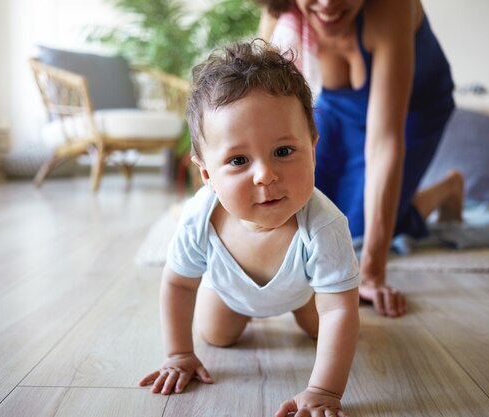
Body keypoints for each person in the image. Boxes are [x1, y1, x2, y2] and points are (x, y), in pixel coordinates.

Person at [139, 40, 361, 417]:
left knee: (324, 329)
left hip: (303, 291)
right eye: (239, 160)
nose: (266, 175)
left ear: (312, 146)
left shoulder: (324, 225)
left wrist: (323, 390)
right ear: (207, 174)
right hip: (229, 293)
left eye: (284, 151)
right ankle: (233, 309)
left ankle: (306, 301)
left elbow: (340, 310)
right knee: (218, 336)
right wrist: (179, 354)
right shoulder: (200, 219)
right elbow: (178, 284)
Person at [257, 0, 464, 318]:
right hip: (338, 107)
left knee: (358, 228)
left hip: (414, 111)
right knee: (305, 203)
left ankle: (448, 188)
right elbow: (259, 112)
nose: (327, 3)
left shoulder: (393, 7)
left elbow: (385, 143)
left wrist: (372, 272)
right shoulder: (282, 14)